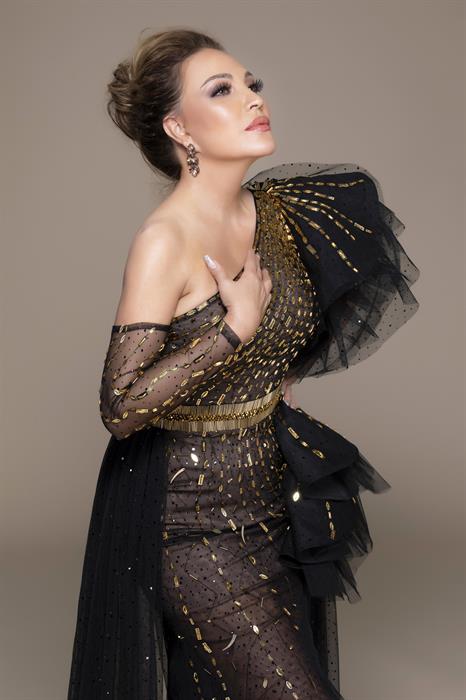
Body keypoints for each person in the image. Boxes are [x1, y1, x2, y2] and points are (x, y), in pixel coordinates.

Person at [66, 29, 420, 700]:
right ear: (179, 129)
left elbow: (312, 323)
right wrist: (230, 334)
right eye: (222, 90)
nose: (253, 98)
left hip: (275, 505)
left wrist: (267, 373)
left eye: (251, 83)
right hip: (190, 527)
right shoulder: (165, 241)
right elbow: (120, 407)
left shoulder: (281, 213)